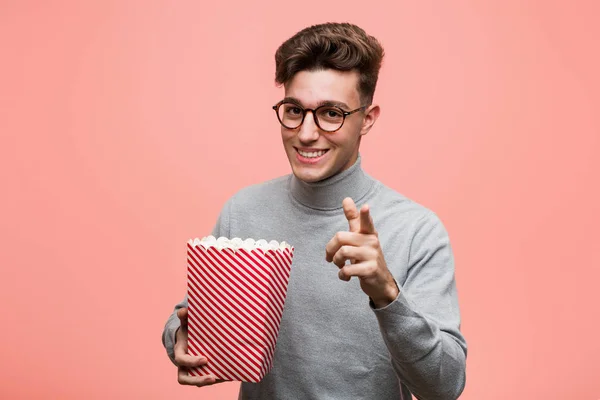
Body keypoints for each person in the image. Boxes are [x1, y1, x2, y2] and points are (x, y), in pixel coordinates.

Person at [162, 22, 467, 400]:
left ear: (367, 119)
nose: (306, 133)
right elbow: (191, 313)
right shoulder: (243, 211)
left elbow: (445, 386)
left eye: (331, 113)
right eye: (294, 110)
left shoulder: (417, 230)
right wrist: (182, 333)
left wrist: (387, 293)